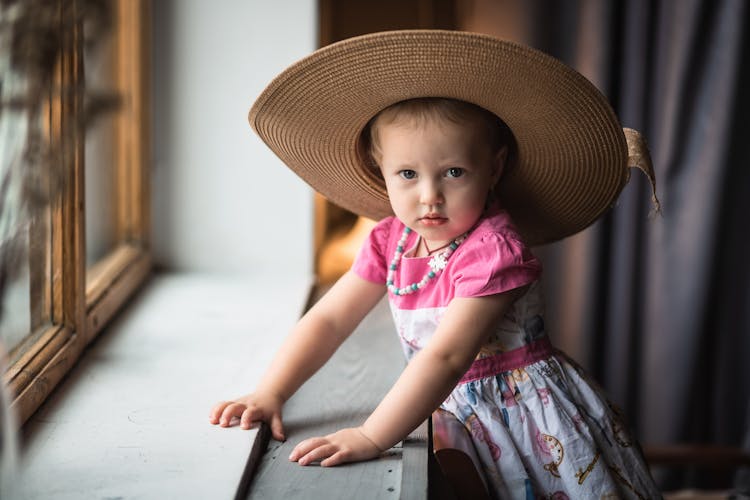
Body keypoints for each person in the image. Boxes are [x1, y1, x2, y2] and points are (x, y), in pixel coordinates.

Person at [210, 30, 661, 499]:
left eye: (454, 172)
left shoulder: (493, 251)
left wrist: (371, 436)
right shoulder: (392, 238)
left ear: (494, 167)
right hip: (447, 411)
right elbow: (328, 318)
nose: (430, 196)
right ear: (378, 170)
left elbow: (447, 357)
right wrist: (272, 391)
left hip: (521, 419)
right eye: (407, 174)